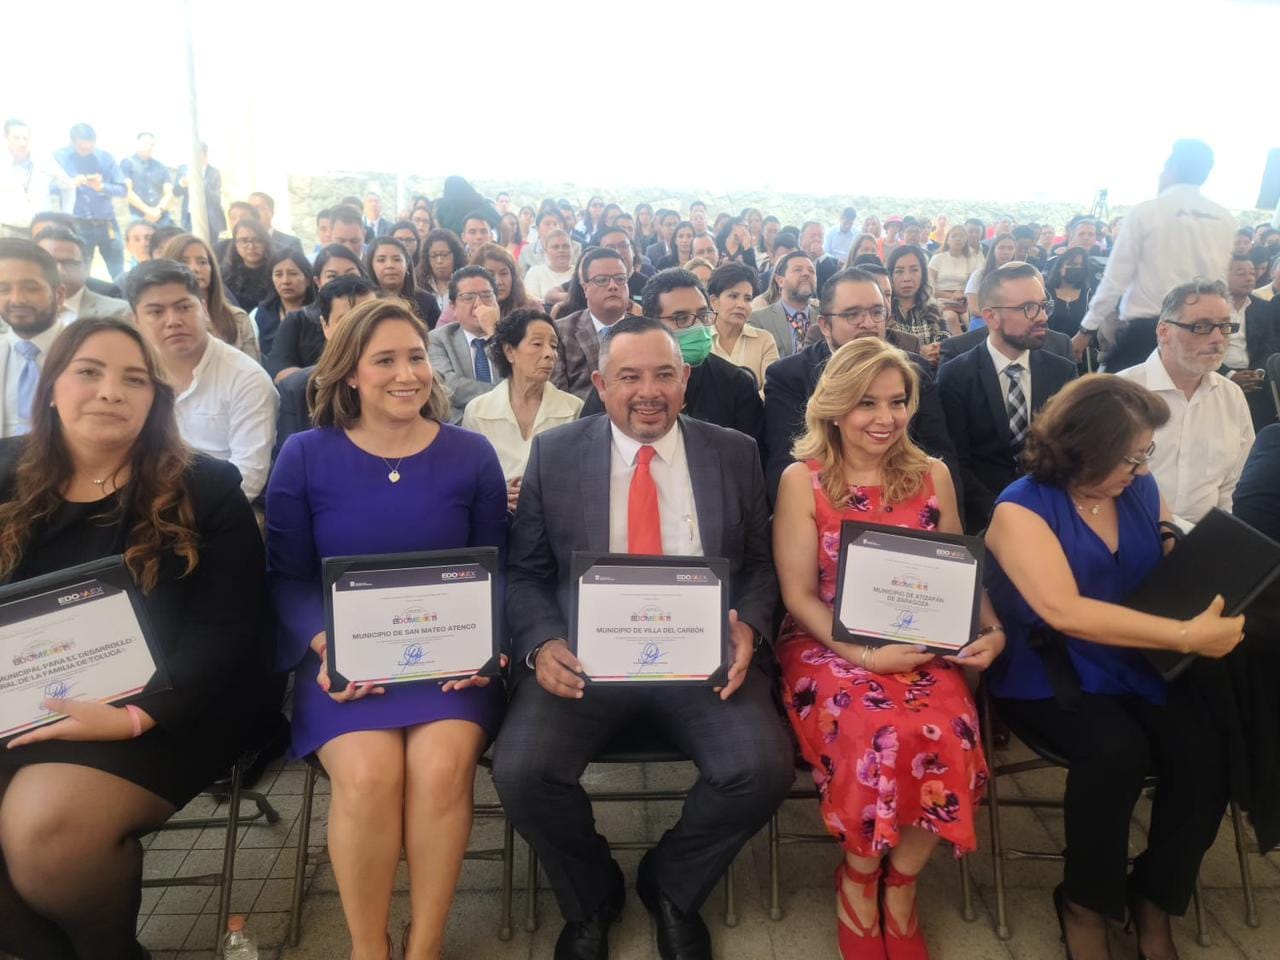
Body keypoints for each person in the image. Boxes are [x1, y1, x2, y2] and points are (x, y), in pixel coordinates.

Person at [492, 313, 794, 960]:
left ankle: (672, 886)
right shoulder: (558, 452)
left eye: (663, 375)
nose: (647, 391)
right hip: (588, 659)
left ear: (686, 381)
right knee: (522, 772)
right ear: (601, 384)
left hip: (702, 655)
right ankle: (592, 895)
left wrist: (751, 628)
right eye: (629, 377)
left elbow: (761, 565)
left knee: (761, 768)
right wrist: (543, 644)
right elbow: (526, 572)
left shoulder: (733, 451)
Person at [0, 313, 276, 960]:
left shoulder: (205, 487)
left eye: (134, 379)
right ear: (51, 386)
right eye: (88, 373)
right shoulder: (5, 471)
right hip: (23, 697)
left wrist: (134, 717)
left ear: (156, 398)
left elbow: (229, 629)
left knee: (46, 829)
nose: (110, 392)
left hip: (173, 703)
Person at [267, 298, 506, 960]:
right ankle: (368, 946)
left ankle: (424, 943)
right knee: (370, 775)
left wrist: (489, 647)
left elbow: (499, 569)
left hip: (453, 661)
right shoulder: (305, 455)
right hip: (343, 660)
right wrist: (325, 644)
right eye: (385, 361)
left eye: (416, 358)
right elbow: (285, 579)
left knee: (440, 766)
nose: (408, 374)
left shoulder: (472, 455)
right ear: (349, 374)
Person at [983, 374, 1245, 960]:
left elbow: (1168, 537)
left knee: (1207, 755)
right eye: (1132, 456)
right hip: (1050, 668)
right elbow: (1063, 611)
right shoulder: (1020, 508)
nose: (1144, 469)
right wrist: (1185, 633)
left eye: (1146, 453)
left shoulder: (1138, 490)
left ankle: (1154, 898)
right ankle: (1086, 903)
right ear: (1085, 449)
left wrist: (1187, 559)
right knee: (1115, 754)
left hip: (1139, 656)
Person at [773, 336, 1000, 960]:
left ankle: (900, 884)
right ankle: (859, 878)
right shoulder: (804, 480)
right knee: (875, 724)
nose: (885, 418)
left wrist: (991, 626)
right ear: (835, 408)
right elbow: (797, 596)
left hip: (923, 642)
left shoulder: (932, 474)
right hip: (830, 643)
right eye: (867, 403)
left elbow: (960, 568)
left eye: (898, 402)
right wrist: (865, 657)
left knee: (947, 728)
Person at [762, 266, 959, 505]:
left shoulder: (914, 370)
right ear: (824, 325)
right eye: (852, 315)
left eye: (877, 312)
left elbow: (938, 452)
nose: (868, 323)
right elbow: (786, 463)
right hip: (824, 506)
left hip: (905, 501)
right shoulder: (789, 376)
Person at [937, 262, 1079, 533]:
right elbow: (956, 462)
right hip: (982, 515)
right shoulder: (957, 375)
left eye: (1043, 305)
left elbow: (1070, 450)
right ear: (990, 317)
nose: (1042, 317)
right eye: (1028, 308)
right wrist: (1003, 512)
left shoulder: (1062, 370)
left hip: (1051, 510)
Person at [1075, 140, 1235, 366]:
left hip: (1150, 331)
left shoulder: (1148, 212)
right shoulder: (1224, 218)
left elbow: (1115, 279)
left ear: (1172, 169)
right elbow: (1220, 283)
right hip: (1202, 329)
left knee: (1110, 397)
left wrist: (1086, 329)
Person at [127, 260, 277, 501]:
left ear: (204, 310)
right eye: (156, 312)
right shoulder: (130, 376)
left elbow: (248, 477)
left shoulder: (246, 379)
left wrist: (176, 515)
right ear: (135, 321)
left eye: (184, 307)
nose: (173, 320)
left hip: (218, 511)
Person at [1116, 279, 1256, 528]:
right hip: (1131, 536)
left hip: (1206, 542)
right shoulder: (1121, 394)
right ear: (1164, 332)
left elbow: (1233, 486)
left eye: (1225, 327)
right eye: (1202, 327)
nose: (1218, 339)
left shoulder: (1231, 397)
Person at [580, 269, 765, 442]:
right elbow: (589, 444)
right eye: (681, 319)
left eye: (702, 315)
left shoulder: (736, 385)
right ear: (650, 322)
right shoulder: (617, 380)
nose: (697, 327)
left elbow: (749, 460)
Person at [461, 308, 583, 511]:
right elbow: (468, 478)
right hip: (495, 514)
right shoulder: (478, 411)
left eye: (553, 346)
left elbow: (579, 479)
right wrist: (499, 494)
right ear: (509, 351)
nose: (549, 354)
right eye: (537, 344)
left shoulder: (574, 409)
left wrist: (538, 493)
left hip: (554, 517)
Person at [273, 275, 378, 457]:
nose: (360, 330)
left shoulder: (407, 380)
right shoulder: (297, 389)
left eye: (370, 319)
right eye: (346, 321)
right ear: (325, 325)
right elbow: (289, 465)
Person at [268, 244, 367, 380]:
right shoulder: (297, 320)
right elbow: (280, 370)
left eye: (350, 274)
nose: (343, 282)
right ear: (318, 281)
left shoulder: (378, 315)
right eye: (332, 276)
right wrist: (331, 377)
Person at [159, 233, 261, 362]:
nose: (195, 268)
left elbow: (254, 372)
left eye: (202, 262)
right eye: (184, 262)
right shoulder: (163, 324)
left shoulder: (238, 318)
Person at [551, 248, 635, 399]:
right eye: (602, 280)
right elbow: (557, 396)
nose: (613, 286)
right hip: (580, 417)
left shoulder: (645, 331)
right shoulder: (560, 331)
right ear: (585, 289)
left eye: (620, 279)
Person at [0, 239, 65, 436]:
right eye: (3, 289)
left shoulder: (86, 351)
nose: (17, 299)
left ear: (59, 295)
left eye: (31, 288)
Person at [428, 264, 502, 422]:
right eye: (468, 297)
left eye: (487, 296)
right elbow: (449, 386)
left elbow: (522, 377)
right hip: (463, 424)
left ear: (497, 302)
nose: (479, 304)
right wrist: (507, 395)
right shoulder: (437, 339)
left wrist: (494, 333)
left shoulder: (516, 336)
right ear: (453, 307)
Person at [53, 123, 126, 278]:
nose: (86, 152)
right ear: (72, 143)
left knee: (119, 273)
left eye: (90, 148)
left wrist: (101, 187)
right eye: (81, 149)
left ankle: (122, 299)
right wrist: (70, 183)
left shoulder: (105, 158)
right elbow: (48, 187)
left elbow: (122, 189)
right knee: (80, 274)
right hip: (77, 224)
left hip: (107, 223)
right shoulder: (60, 157)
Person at [1221, 253, 1280, 430]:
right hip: (1219, 373)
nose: (1249, 278)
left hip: (1254, 374)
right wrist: (1230, 375)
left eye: (1252, 274)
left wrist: (1259, 372)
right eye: (1241, 274)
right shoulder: (1213, 307)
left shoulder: (1262, 307)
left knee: (1266, 411)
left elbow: (1270, 345)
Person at [33, 227, 131, 324]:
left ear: (86, 266)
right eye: (49, 263)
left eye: (70, 263)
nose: (60, 271)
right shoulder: (21, 312)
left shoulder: (118, 313)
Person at [708, 262, 778, 390]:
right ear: (714, 302)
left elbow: (772, 389)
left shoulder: (764, 340)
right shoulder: (702, 341)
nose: (741, 305)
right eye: (733, 296)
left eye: (747, 299)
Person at [0, 119, 71, 238]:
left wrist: (66, 216)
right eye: (16, 138)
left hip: (42, 230)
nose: (22, 143)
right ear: (6, 138)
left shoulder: (44, 161)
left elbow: (68, 186)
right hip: (9, 230)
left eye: (25, 138)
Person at [888, 245, 950, 366]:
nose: (907, 278)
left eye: (914, 270)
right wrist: (919, 354)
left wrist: (936, 352)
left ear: (923, 274)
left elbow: (946, 345)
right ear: (890, 275)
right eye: (899, 271)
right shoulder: (883, 311)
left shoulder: (934, 308)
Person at [749, 251, 818, 358]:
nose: (806, 274)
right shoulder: (758, 320)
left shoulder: (826, 316)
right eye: (798, 270)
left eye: (811, 271)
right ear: (780, 281)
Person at [251, 248, 316, 360]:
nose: (285, 281)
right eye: (278, 274)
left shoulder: (321, 313)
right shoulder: (258, 315)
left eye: (293, 274)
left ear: (308, 279)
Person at [365, 236, 440, 327]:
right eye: (381, 260)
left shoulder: (427, 301)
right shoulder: (364, 302)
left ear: (407, 264)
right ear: (371, 265)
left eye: (397, 259)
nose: (389, 265)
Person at [928, 225, 983, 330]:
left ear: (966, 240)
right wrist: (950, 295)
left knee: (970, 318)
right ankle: (961, 346)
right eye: (954, 236)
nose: (958, 239)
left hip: (962, 299)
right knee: (951, 317)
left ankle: (974, 343)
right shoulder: (937, 258)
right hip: (940, 298)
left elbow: (973, 284)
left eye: (962, 236)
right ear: (948, 240)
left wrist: (962, 295)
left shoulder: (970, 260)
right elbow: (930, 286)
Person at [221, 216, 275, 316]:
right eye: (244, 240)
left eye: (257, 240)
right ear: (235, 244)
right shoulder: (224, 276)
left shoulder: (277, 272)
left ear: (266, 242)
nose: (251, 246)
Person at [471, 242, 539, 318]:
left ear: (513, 276)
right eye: (490, 274)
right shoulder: (469, 311)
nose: (498, 282)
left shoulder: (530, 309)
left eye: (504, 273)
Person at [120, 132, 173, 226]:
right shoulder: (127, 164)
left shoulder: (161, 167)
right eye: (146, 143)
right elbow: (127, 191)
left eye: (152, 144)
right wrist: (148, 211)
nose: (149, 147)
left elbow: (169, 193)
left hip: (161, 215)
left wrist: (159, 210)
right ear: (137, 144)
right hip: (139, 216)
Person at [174, 142, 226, 238]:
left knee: (211, 249)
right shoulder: (183, 169)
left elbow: (216, 198)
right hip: (189, 218)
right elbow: (176, 192)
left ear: (204, 155)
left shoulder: (214, 172)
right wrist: (182, 183)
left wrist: (198, 183)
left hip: (210, 219)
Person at [1045, 246, 1094, 341]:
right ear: (1060, 268)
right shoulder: (1046, 292)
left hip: (1078, 350)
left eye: (1081, 265)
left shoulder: (1088, 294)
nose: (1078, 268)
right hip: (1048, 348)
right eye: (1073, 264)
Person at [964, 233, 1016, 321]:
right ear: (993, 250)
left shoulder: (1020, 275)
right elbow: (973, 308)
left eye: (1010, 248)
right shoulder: (979, 274)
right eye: (1001, 248)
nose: (1006, 252)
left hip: (1012, 320)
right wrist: (997, 318)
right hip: (983, 319)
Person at [416, 228, 467, 313]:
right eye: (433, 256)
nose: (439, 261)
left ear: (455, 255)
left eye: (444, 255)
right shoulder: (419, 283)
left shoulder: (467, 282)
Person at [523, 228, 574, 304]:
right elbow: (531, 301)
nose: (561, 250)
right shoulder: (535, 272)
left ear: (572, 249)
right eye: (556, 247)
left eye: (566, 246)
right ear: (546, 251)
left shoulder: (579, 272)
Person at [800, 220, 840, 291]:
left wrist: (821, 256)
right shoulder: (793, 259)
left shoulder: (832, 262)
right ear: (801, 239)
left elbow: (834, 283)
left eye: (820, 236)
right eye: (812, 236)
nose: (817, 239)